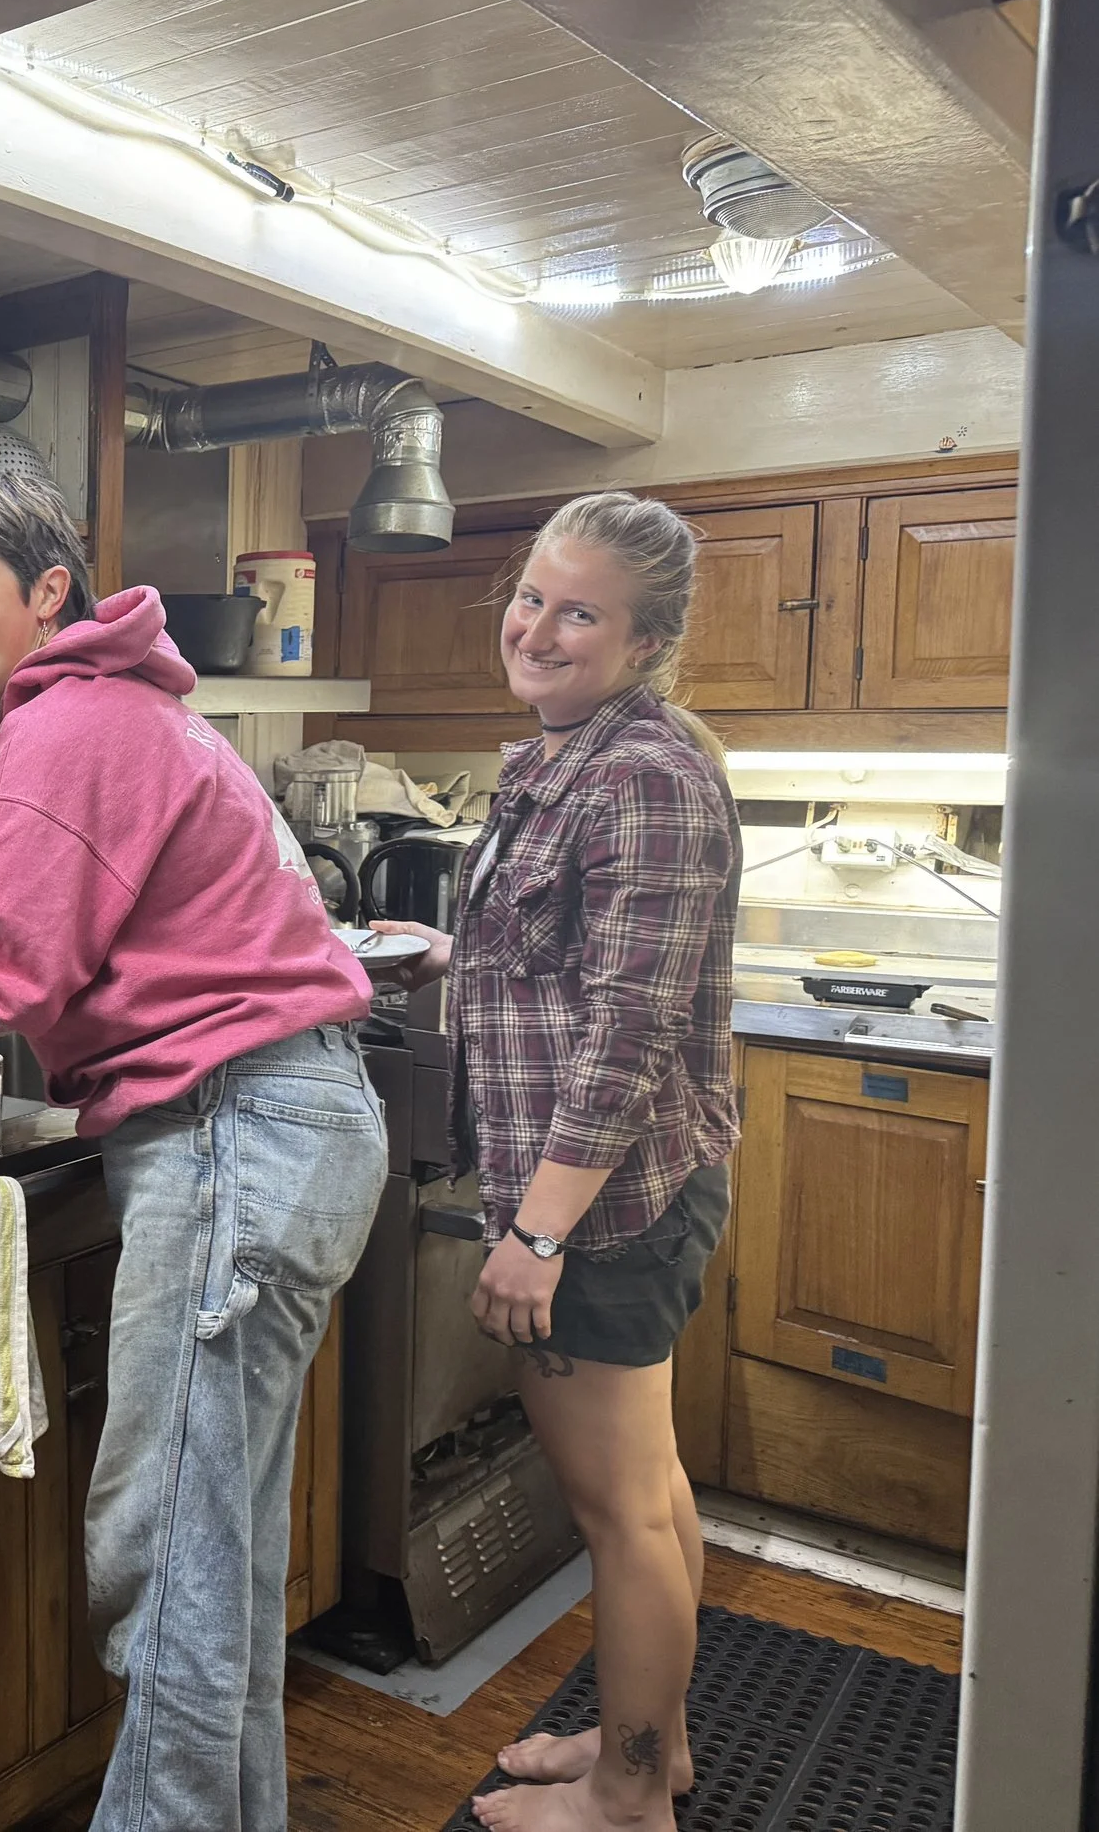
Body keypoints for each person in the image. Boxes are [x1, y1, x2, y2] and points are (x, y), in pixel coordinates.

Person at [0, 466, 385, 1830]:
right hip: (287, 1122)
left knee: (169, 1561)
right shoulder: (127, 706)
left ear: (48, 590)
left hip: (234, 1131)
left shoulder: (67, 724)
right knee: (215, 1562)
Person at [372, 492, 740, 1832]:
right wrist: (452, 956)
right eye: (531, 596)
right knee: (649, 1488)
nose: (535, 628)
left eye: (579, 612)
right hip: (610, 1195)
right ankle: (654, 1745)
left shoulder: (642, 774)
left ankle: (629, 1799)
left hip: (605, 1209)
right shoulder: (569, 753)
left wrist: (536, 1234)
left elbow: (628, 1033)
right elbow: (569, 959)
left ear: (645, 643)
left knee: (620, 1510)